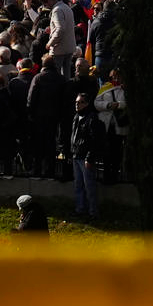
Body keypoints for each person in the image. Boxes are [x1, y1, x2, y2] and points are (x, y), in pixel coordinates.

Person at [67, 90, 103, 218]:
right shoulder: (76, 117)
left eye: (81, 102)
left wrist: (89, 157)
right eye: (76, 102)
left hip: (85, 157)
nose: (78, 105)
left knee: (89, 186)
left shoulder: (92, 118)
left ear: (87, 104)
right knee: (78, 185)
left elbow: (95, 140)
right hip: (77, 155)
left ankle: (93, 212)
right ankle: (80, 209)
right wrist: (72, 152)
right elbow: (74, 137)